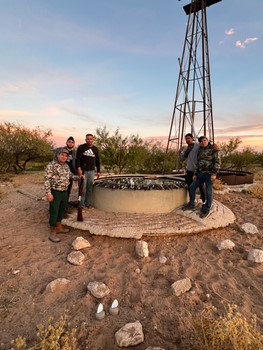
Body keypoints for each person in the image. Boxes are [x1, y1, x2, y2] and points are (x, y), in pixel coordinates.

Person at [44, 148, 78, 243]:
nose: (64, 157)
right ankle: (52, 231)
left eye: (66, 156)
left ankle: (59, 227)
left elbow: (70, 175)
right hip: (55, 191)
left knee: (62, 209)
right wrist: (48, 193)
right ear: (58, 155)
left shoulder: (66, 165)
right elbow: (47, 180)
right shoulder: (51, 165)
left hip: (65, 191)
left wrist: (78, 177)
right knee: (54, 210)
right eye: (62, 155)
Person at [184, 136, 220, 218]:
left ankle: (207, 208)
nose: (203, 142)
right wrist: (195, 174)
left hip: (209, 174)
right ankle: (191, 204)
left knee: (208, 192)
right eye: (201, 141)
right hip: (200, 174)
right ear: (199, 143)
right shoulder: (200, 150)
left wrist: (214, 174)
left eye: (204, 140)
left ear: (207, 141)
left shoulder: (214, 149)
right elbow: (198, 163)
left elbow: (217, 162)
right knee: (192, 187)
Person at [179, 133, 206, 203]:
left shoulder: (197, 145)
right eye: (186, 139)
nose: (187, 140)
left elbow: (205, 146)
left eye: (189, 138)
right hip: (189, 170)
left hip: (198, 170)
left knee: (201, 187)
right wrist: (180, 152)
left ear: (192, 138)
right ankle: (192, 202)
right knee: (190, 187)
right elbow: (181, 159)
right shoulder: (186, 149)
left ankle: (204, 201)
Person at [76, 133, 101, 208]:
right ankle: (81, 204)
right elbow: (78, 159)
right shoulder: (81, 147)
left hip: (92, 171)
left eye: (91, 139)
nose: (89, 140)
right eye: (88, 139)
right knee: (82, 189)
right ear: (85, 139)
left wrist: (98, 171)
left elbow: (97, 160)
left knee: (89, 189)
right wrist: (79, 169)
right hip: (83, 171)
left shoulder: (95, 149)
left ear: (93, 140)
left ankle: (88, 203)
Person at [55, 136, 77, 201]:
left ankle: (65, 205)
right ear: (66, 142)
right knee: (60, 189)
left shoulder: (74, 152)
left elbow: (76, 163)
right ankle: (58, 204)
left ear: (74, 144)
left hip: (71, 173)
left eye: (72, 142)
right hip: (62, 172)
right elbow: (55, 160)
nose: (70, 143)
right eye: (69, 142)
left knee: (68, 189)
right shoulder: (61, 150)